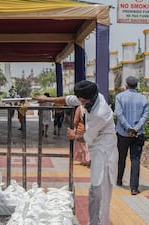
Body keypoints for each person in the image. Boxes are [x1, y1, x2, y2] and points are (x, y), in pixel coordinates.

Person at [34, 80, 118, 225]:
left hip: (104, 153)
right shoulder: (90, 98)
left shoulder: (99, 112)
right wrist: (47, 99)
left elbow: (86, 137)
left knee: (100, 192)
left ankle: (101, 222)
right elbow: (68, 99)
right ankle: (94, 222)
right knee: (94, 191)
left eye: (82, 100)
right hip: (97, 149)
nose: (79, 102)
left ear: (89, 99)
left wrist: (74, 136)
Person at [115, 76, 149, 195]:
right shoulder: (143, 98)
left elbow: (119, 114)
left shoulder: (119, 97)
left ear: (126, 85)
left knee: (121, 157)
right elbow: (145, 116)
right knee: (135, 160)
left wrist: (127, 128)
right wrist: (135, 129)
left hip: (123, 134)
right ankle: (134, 187)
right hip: (137, 134)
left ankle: (119, 179)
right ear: (137, 85)